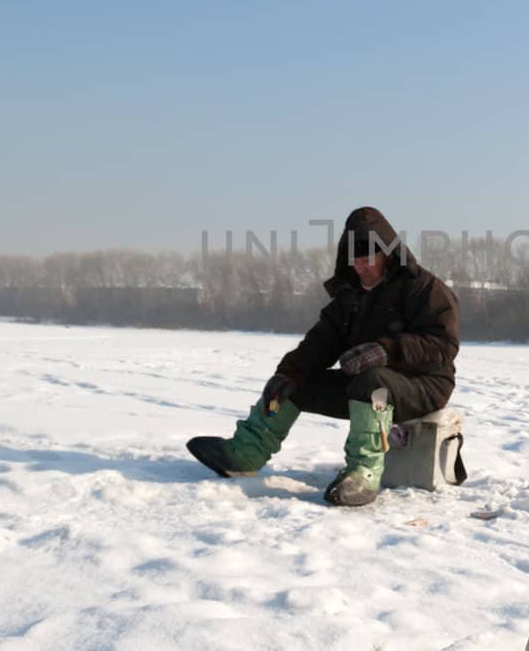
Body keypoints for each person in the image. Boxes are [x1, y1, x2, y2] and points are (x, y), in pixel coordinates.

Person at [186, 206, 459, 507]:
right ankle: (245, 454)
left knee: (372, 381)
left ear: (388, 255)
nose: (360, 268)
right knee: (298, 384)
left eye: (367, 259)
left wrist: (387, 350)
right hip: (365, 386)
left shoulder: (425, 289)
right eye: (355, 260)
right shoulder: (351, 296)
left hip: (425, 385)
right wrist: (290, 372)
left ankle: (363, 474)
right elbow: (322, 340)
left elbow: (442, 347)